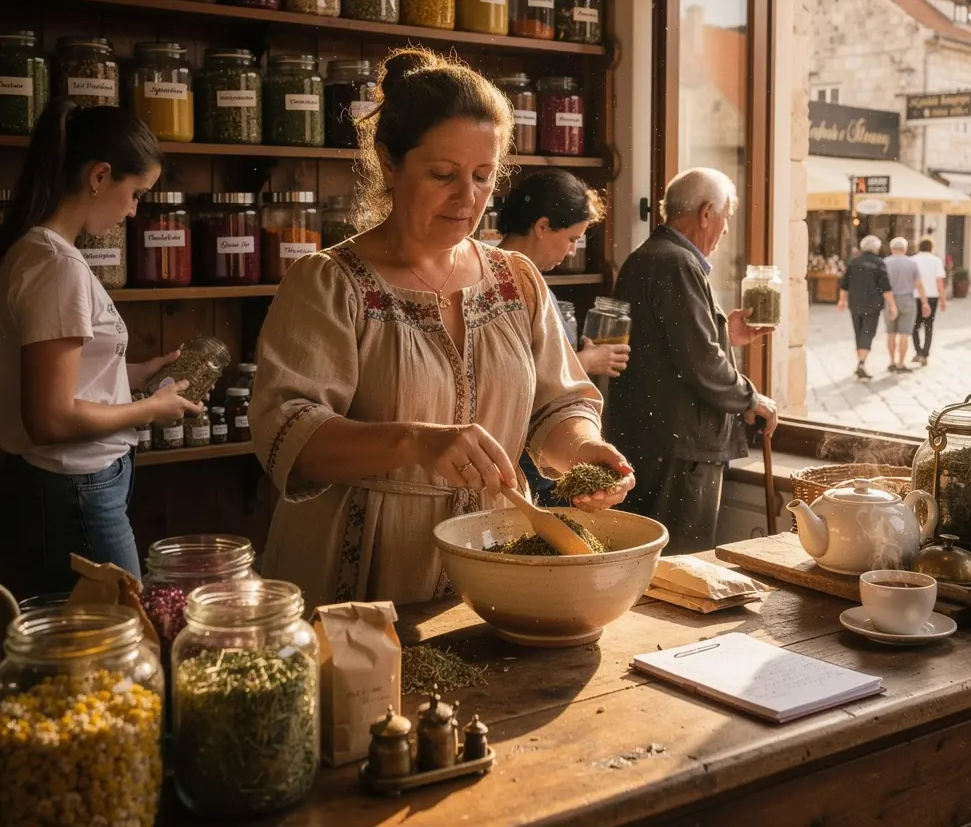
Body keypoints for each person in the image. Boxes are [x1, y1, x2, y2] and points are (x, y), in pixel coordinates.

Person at [249, 48, 634, 610]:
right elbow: (289, 434)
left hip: (493, 564)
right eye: (443, 175)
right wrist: (416, 442)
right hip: (359, 573)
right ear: (388, 162)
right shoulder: (330, 283)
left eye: (483, 177)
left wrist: (583, 450)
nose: (468, 198)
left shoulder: (516, 279)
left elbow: (556, 406)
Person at [0, 102, 200, 594]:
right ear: (99, 176)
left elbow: (61, 373)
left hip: (71, 486)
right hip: (75, 490)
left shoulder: (37, 250)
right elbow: (49, 419)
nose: (134, 210)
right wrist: (149, 410)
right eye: (135, 194)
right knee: (121, 638)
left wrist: (132, 372)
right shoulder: (55, 265)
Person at [607, 168, 777, 554]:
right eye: (726, 216)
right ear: (705, 213)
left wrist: (725, 334)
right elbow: (700, 363)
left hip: (655, 442)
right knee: (679, 564)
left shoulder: (649, 257)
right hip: (678, 448)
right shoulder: (676, 263)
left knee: (646, 558)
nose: (726, 229)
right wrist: (752, 399)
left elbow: (669, 347)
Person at [498, 169, 630, 505]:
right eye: (572, 238)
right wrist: (586, 361)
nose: (573, 251)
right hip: (518, 464)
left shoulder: (538, 287)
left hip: (550, 458)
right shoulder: (499, 286)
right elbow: (511, 376)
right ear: (542, 227)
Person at [837, 235, 898, 380]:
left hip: (855, 303)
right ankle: (861, 363)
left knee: (858, 332)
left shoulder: (854, 262)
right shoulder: (879, 263)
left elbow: (844, 284)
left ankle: (860, 362)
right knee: (868, 332)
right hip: (872, 304)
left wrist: (842, 300)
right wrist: (892, 305)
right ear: (875, 248)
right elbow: (886, 287)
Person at [882, 238, 930, 374]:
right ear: (905, 249)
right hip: (908, 300)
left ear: (891, 249)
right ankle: (901, 363)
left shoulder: (885, 263)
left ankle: (892, 362)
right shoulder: (911, 263)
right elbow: (919, 285)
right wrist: (925, 303)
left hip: (890, 300)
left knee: (890, 333)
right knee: (904, 334)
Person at [911, 239, 947, 367]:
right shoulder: (936, 261)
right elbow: (939, 282)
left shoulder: (912, 260)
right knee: (929, 325)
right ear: (931, 247)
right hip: (932, 296)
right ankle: (925, 353)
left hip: (915, 296)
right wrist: (943, 300)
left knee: (914, 326)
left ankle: (918, 350)